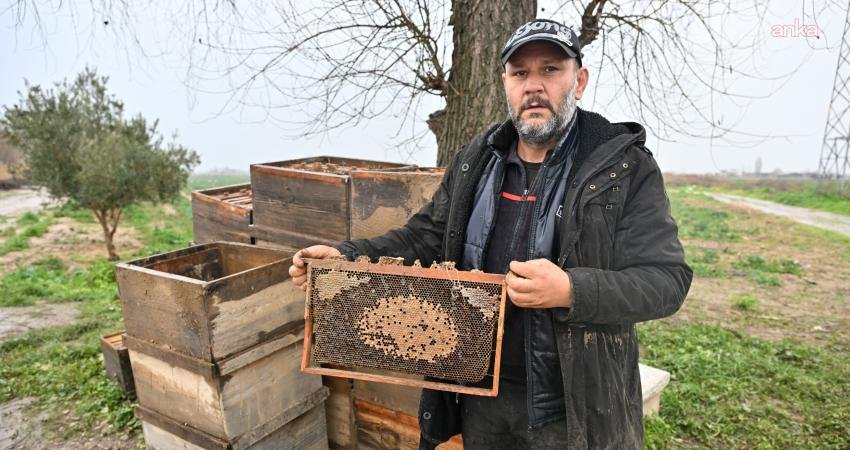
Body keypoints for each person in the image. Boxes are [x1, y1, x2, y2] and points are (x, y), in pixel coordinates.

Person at [289, 18, 692, 450]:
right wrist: (344, 255)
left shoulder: (622, 167)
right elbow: (425, 237)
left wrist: (572, 289)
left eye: (550, 69)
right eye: (520, 73)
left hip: (573, 410)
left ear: (579, 81)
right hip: (482, 398)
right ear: (505, 83)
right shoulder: (476, 160)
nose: (533, 86)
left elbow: (667, 281)